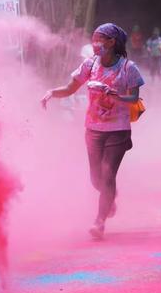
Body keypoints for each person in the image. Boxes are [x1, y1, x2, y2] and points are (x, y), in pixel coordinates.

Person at [41, 23, 145, 239]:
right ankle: (109, 197)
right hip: (93, 129)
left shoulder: (128, 69)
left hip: (118, 130)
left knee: (108, 174)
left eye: (100, 39)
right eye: (94, 39)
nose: (95, 43)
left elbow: (134, 98)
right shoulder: (90, 65)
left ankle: (99, 222)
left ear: (111, 42)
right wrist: (51, 93)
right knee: (96, 178)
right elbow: (70, 88)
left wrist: (116, 96)